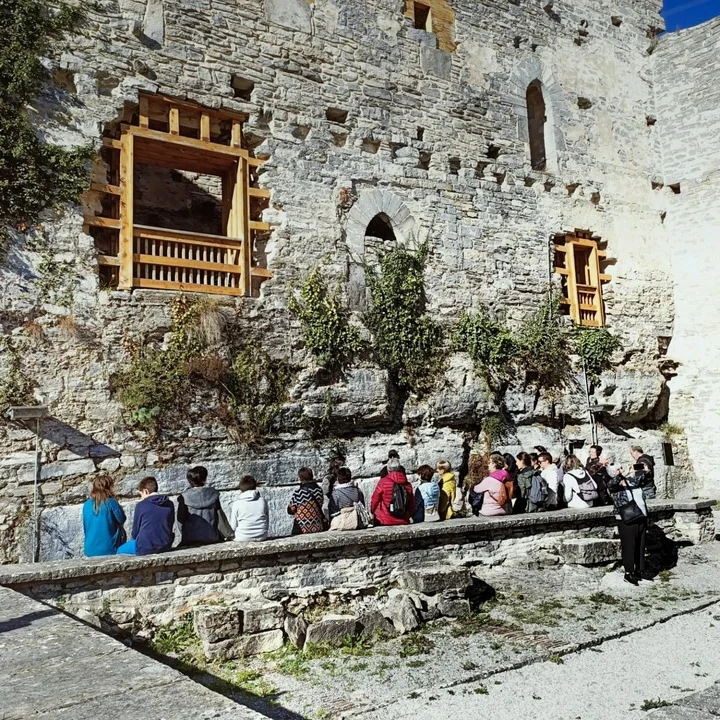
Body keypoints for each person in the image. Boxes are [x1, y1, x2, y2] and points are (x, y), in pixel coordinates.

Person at [607, 472, 649, 585]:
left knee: (641, 544)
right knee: (629, 545)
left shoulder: (632, 482)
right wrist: (620, 475)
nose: (621, 470)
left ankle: (639, 570)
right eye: (619, 469)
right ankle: (628, 572)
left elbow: (644, 479)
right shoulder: (615, 487)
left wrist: (645, 471)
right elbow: (611, 484)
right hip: (626, 518)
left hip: (641, 516)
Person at [117, 477, 175, 555]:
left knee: (120, 550)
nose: (141, 497)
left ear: (145, 491)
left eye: (141, 494)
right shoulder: (169, 504)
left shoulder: (141, 505)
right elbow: (170, 524)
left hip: (145, 546)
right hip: (165, 544)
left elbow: (135, 532)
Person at [177, 466, 230, 546]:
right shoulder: (213, 494)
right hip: (212, 538)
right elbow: (221, 519)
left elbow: (180, 521)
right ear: (204, 479)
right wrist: (229, 534)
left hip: (190, 540)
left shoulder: (184, 497)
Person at [83, 475, 126, 557]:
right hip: (109, 548)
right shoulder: (111, 502)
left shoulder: (86, 504)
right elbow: (122, 519)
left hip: (89, 549)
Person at [370, 457, 415, 525]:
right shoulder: (408, 485)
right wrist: (409, 515)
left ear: (388, 470)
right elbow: (411, 504)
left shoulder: (383, 482)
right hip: (403, 520)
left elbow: (375, 500)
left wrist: (372, 511)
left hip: (384, 520)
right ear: (399, 469)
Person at [230, 475, 269, 542]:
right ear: (255, 486)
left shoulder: (237, 503)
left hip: (242, 537)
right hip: (262, 536)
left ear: (241, 488)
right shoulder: (262, 501)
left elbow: (233, 527)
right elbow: (267, 522)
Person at [288, 467, 326, 535]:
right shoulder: (319, 490)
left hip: (302, 528)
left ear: (301, 478)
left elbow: (291, 510)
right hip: (318, 526)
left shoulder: (299, 492)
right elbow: (321, 504)